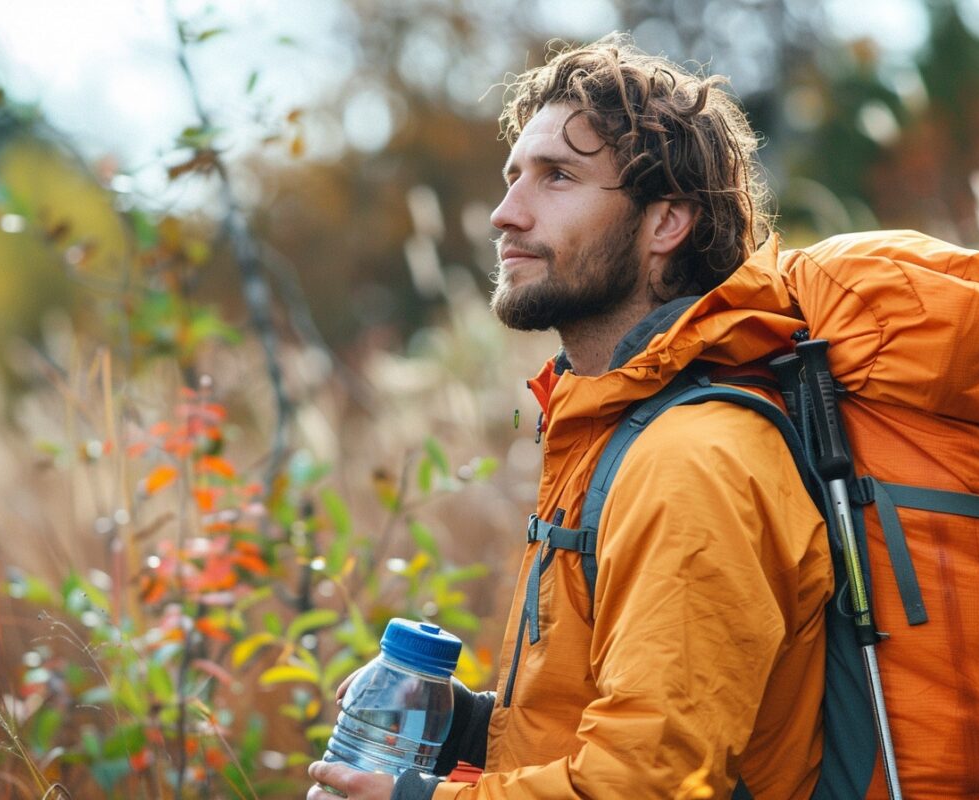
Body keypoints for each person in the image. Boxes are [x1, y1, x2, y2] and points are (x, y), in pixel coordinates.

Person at [310, 33, 833, 799]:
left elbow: (650, 785)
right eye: (512, 176)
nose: (503, 214)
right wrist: (462, 723)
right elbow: (589, 725)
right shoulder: (606, 432)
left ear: (666, 224)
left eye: (557, 177)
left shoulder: (692, 461)